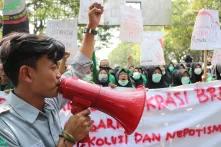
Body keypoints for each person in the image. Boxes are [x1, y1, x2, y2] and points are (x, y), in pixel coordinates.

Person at [0, 3, 103, 147]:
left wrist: (91, 28)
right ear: (27, 74)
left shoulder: (49, 103)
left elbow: (78, 68)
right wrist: (68, 139)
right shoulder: (4, 130)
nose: (59, 75)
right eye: (53, 67)